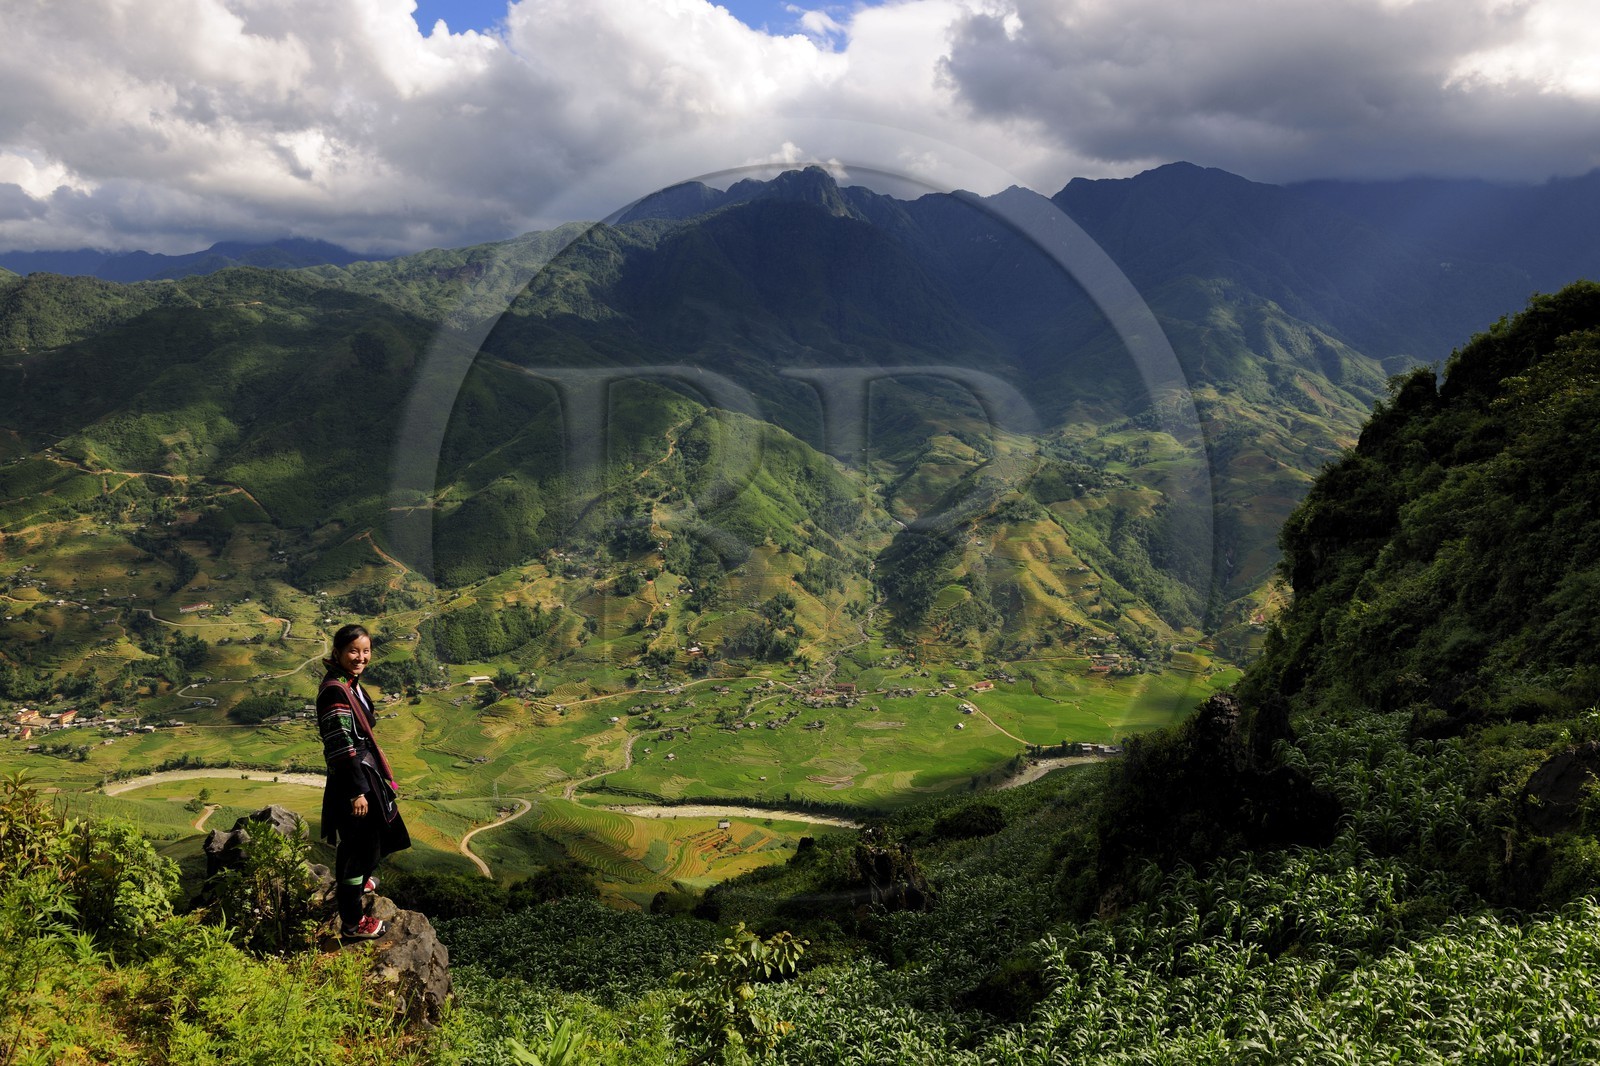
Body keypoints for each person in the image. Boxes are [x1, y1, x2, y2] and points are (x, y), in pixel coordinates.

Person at [317, 623, 410, 939]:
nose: (361, 657)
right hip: (353, 780)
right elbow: (341, 744)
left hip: (364, 773)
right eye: (353, 651)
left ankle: (358, 884)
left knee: (373, 839)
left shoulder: (348, 683)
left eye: (366, 651)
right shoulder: (335, 691)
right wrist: (357, 790)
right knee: (360, 848)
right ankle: (352, 922)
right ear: (338, 653)